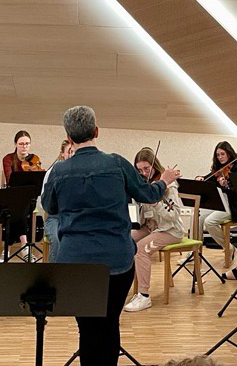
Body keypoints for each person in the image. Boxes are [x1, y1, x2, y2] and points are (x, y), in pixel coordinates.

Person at [42, 106, 180, 365]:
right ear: (96, 131)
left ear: (68, 137)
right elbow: (148, 194)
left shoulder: (59, 172)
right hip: (117, 260)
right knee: (110, 324)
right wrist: (164, 180)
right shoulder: (117, 163)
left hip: (76, 262)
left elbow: (50, 206)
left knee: (87, 329)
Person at [124, 147, 184, 313]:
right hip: (150, 227)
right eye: (139, 170)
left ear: (155, 166)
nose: (144, 173)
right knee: (124, 240)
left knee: (141, 249)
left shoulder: (169, 186)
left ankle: (144, 296)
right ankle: (127, 287)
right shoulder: (143, 184)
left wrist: (155, 202)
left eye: (147, 169)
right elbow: (144, 216)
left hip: (170, 230)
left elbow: (173, 215)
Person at [196, 141, 237, 257]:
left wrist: (226, 186)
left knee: (209, 222)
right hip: (221, 204)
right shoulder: (220, 169)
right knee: (198, 216)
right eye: (218, 155)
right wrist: (200, 178)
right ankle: (195, 251)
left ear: (229, 153)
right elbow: (209, 179)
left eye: (222, 154)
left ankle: (228, 247)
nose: (220, 157)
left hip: (234, 207)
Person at [37, 140, 72, 263]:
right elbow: (44, 202)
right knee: (57, 241)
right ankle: (53, 271)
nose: (72, 155)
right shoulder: (52, 172)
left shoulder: (78, 171)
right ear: (62, 154)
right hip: (54, 217)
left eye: (74, 152)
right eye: (69, 152)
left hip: (72, 216)